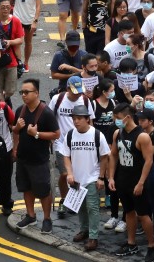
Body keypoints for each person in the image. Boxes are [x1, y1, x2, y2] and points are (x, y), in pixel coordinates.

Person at [57, 104, 112, 252]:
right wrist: (70, 173)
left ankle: (93, 237)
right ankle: (84, 230)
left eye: (79, 118)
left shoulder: (97, 135)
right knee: (80, 206)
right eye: (74, 118)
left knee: (92, 207)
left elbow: (104, 157)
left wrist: (101, 177)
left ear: (87, 119)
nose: (76, 121)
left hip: (92, 178)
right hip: (76, 179)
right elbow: (66, 156)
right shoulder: (70, 135)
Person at [110, 103, 154, 260]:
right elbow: (113, 155)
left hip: (137, 180)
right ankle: (131, 243)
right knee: (128, 212)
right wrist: (111, 177)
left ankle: (151, 246)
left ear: (127, 117)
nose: (115, 121)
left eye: (117, 118)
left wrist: (141, 182)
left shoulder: (142, 136)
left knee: (143, 214)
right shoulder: (118, 133)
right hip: (122, 179)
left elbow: (149, 160)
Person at [13, 78, 60, 234]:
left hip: (39, 159)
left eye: (27, 92)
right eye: (22, 92)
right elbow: (15, 130)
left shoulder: (46, 112)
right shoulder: (20, 110)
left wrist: (37, 134)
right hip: (23, 158)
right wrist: (16, 129)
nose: (24, 95)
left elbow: (56, 134)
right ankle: (30, 215)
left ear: (37, 93)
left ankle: (47, 219)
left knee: (43, 191)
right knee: (26, 187)